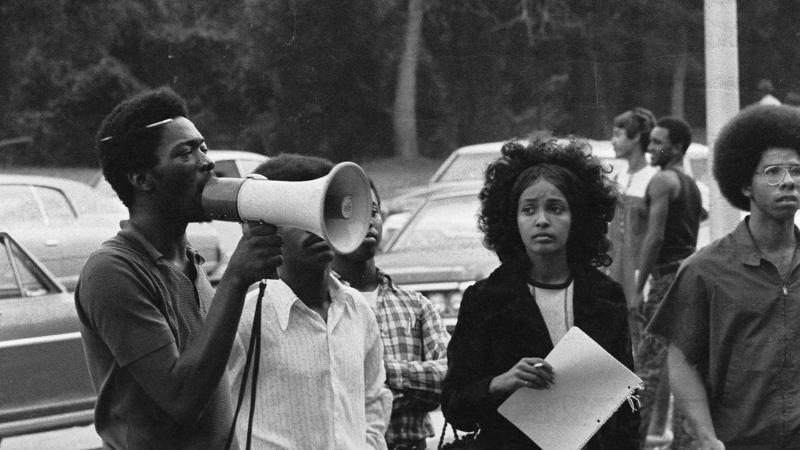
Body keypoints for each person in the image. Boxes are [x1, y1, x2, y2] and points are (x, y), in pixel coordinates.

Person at [75, 87, 284, 449]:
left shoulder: (189, 262)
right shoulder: (112, 271)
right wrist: (236, 278)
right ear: (142, 179)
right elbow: (181, 399)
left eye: (203, 147)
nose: (207, 163)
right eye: (186, 152)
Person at [441, 138, 639, 449]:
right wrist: (499, 383)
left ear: (579, 218)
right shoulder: (485, 299)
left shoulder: (606, 295)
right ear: (512, 220)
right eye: (528, 209)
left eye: (556, 208)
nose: (542, 220)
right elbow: (455, 408)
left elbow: (627, 407)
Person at [648, 104, 800, 449]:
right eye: (773, 172)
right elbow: (681, 360)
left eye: (795, 170)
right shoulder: (706, 269)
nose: (788, 181)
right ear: (745, 185)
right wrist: (706, 436)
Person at [227, 153, 393, 449]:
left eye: (325, 214)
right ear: (268, 229)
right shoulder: (244, 316)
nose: (317, 228)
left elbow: (372, 399)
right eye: (300, 216)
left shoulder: (358, 310)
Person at [331, 180, 450, 450]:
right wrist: (413, 388)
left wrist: (374, 371)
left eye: (372, 211)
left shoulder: (415, 305)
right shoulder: (323, 303)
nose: (368, 222)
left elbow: (448, 377)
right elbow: (332, 396)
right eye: (352, 213)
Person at [634, 116, 706, 448]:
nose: (650, 148)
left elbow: (654, 238)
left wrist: (637, 288)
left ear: (676, 147)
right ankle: (684, 441)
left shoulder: (662, 180)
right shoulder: (689, 183)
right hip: (689, 276)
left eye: (657, 142)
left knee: (648, 366)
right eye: (649, 142)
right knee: (681, 364)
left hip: (665, 279)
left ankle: (633, 439)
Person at [606, 107, 658, 356]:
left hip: (638, 270)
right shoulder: (619, 174)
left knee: (643, 337)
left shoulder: (653, 177)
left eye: (619, 134)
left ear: (636, 137)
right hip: (615, 267)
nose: (613, 141)